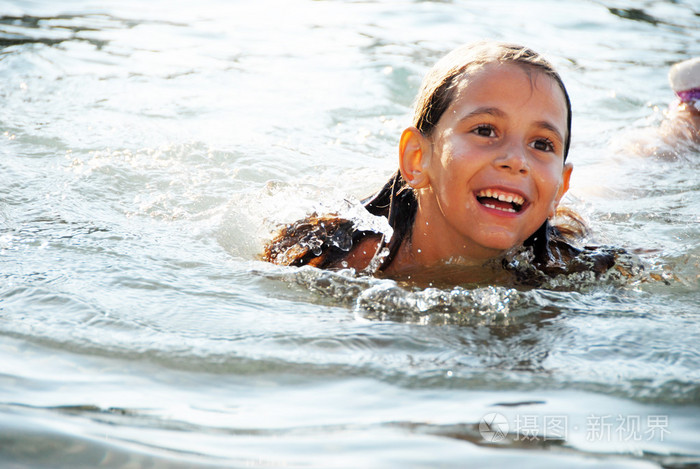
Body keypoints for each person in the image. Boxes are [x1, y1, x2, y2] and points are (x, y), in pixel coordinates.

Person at [262, 41, 619, 284]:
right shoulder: (339, 261)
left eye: (542, 143)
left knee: (619, 174)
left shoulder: (571, 268)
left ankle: (675, 125)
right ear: (417, 158)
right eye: (485, 130)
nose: (516, 160)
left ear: (560, 188)